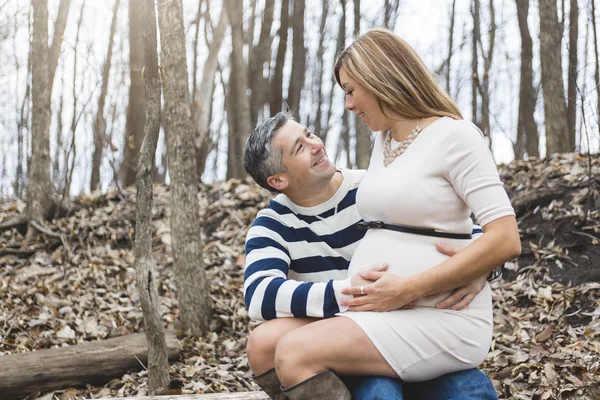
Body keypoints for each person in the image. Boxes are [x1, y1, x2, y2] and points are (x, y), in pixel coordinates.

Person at [245, 27, 521, 400]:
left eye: (350, 91)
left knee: (295, 351)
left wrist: (478, 269)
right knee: (263, 344)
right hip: (374, 306)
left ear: (378, 80)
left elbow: (488, 234)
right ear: (278, 179)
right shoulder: (383, 145)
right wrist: (356, 293)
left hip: (420, 307)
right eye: (300, 146)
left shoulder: (450, 139)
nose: (347, 105)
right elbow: (260, 296)